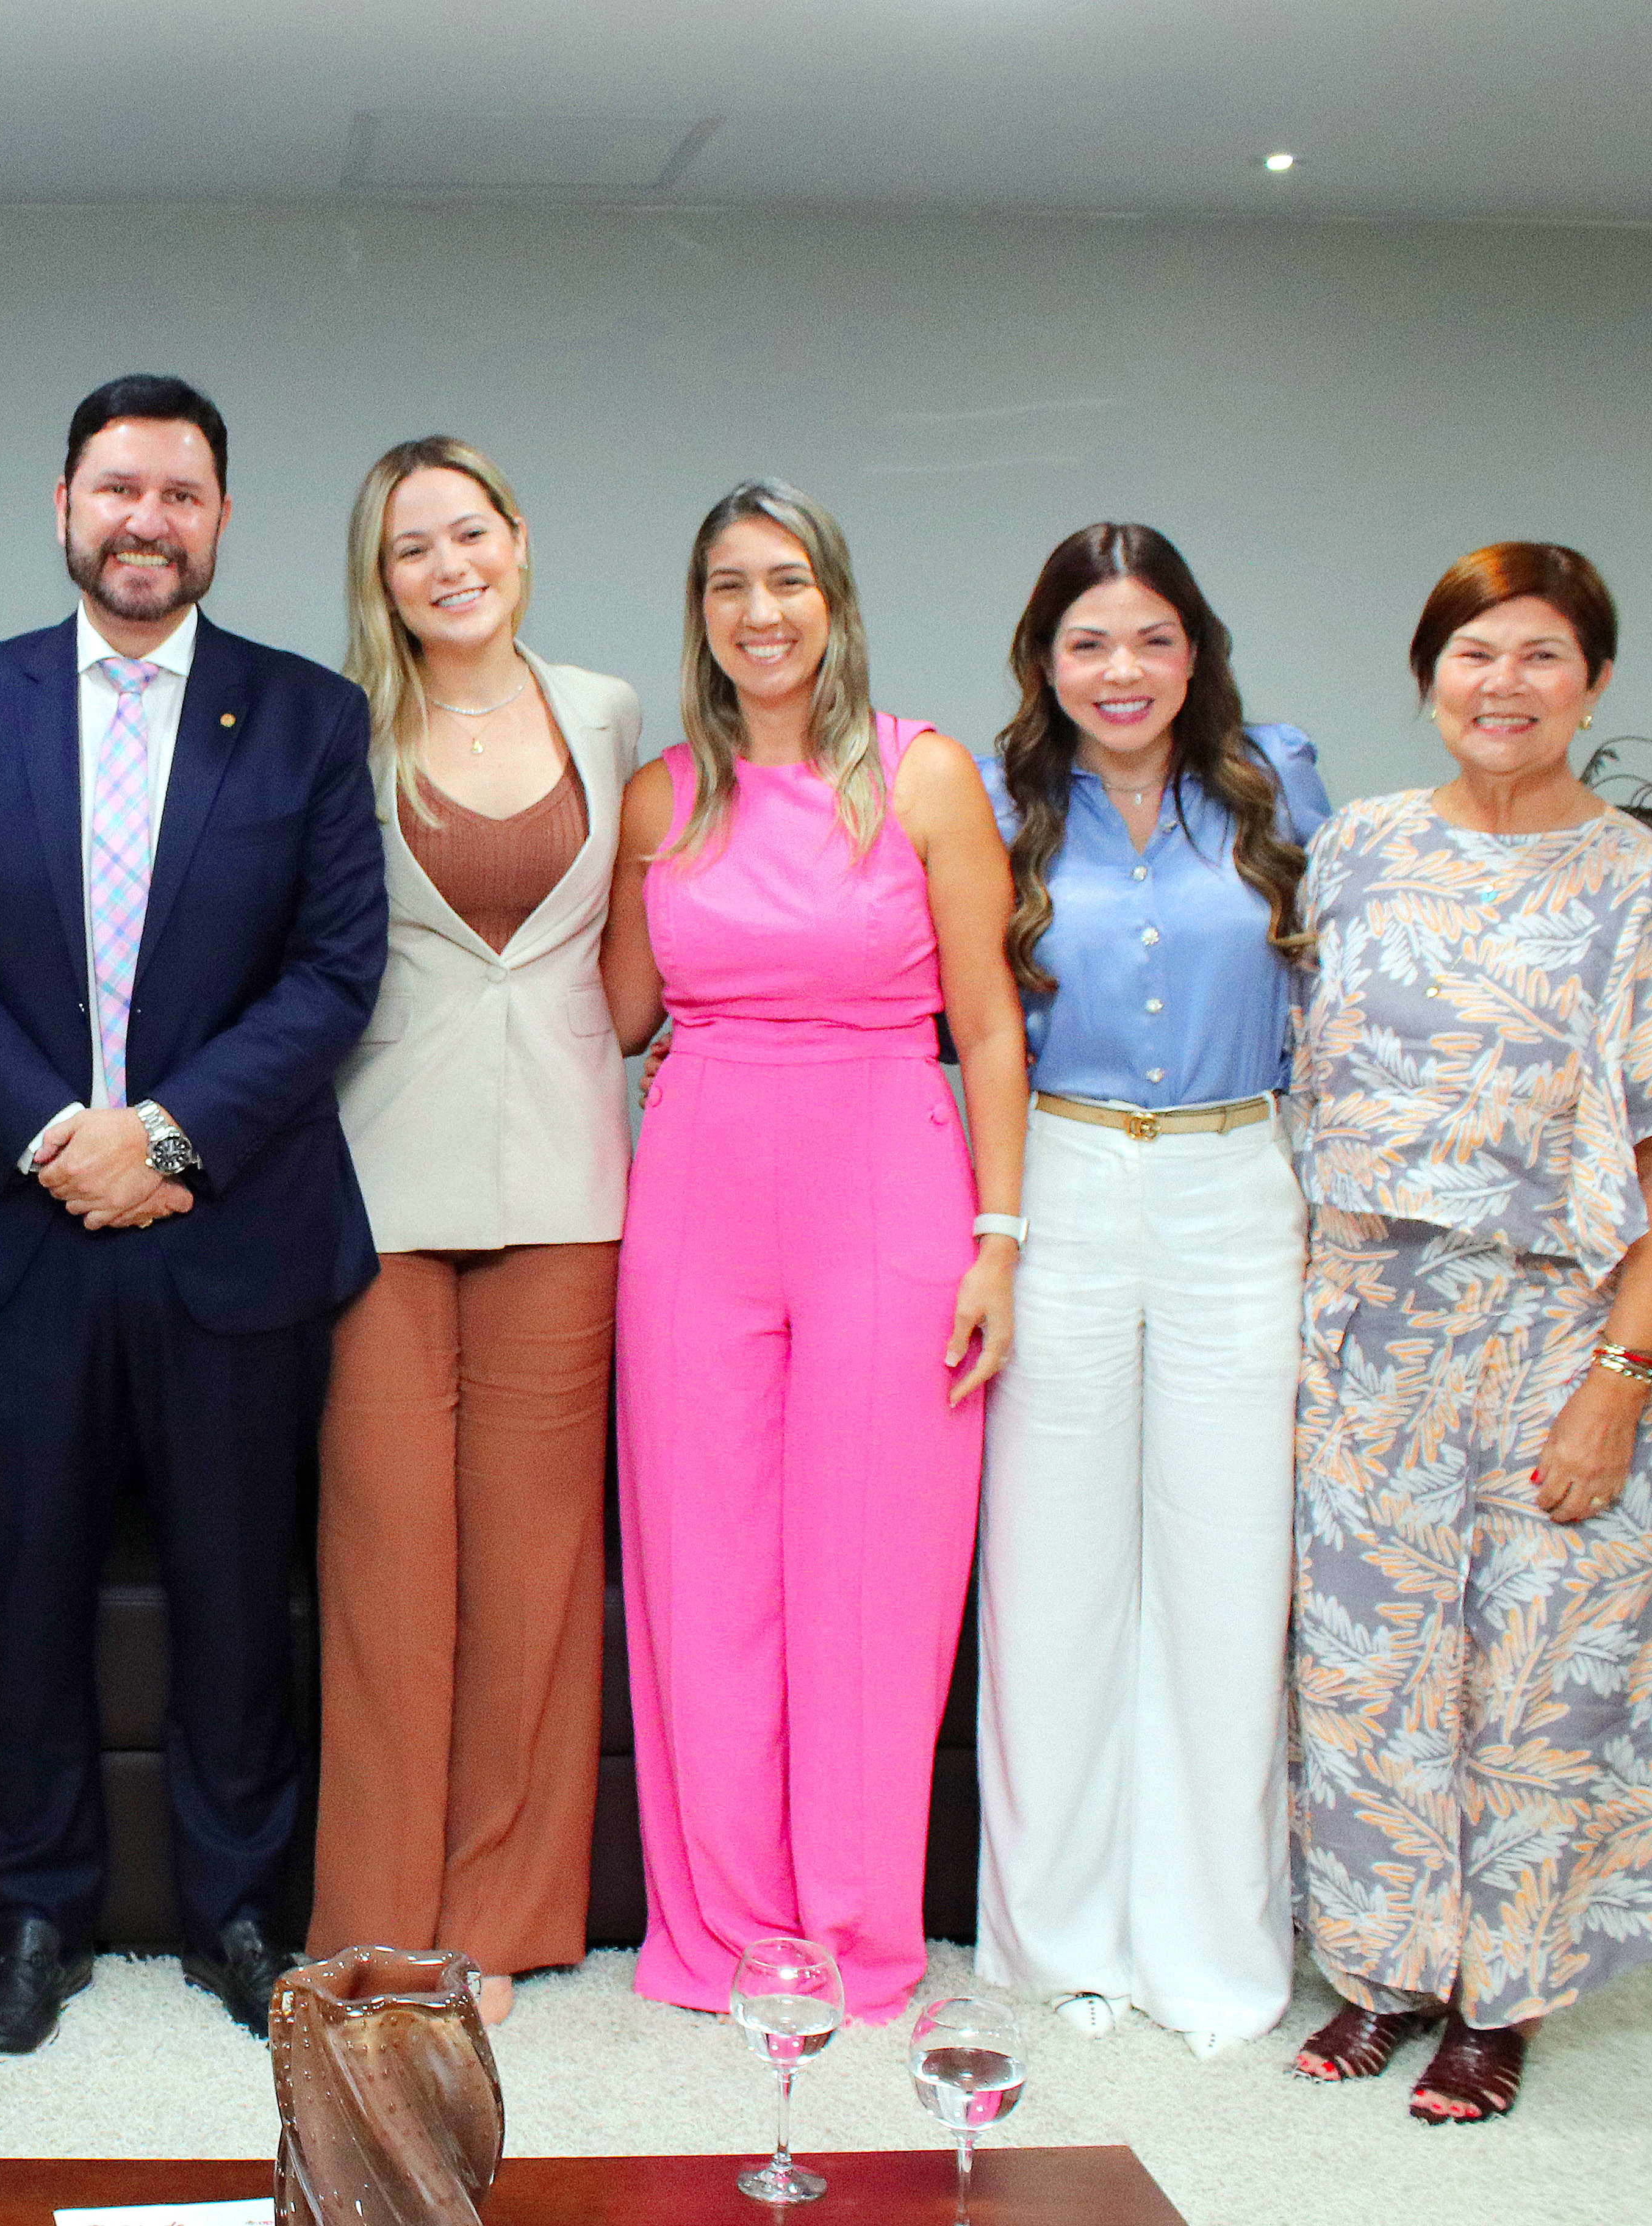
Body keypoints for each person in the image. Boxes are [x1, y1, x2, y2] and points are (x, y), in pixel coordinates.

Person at [0, 373, 387, 2055]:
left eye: (180, 492)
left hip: (226, 1231)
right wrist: (52, 1138)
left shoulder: (308, 717)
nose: (146, 519)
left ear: (222, 520)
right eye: (118, 488)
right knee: (24, 1593)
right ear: (64, 506)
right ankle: (35, 1916)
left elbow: (334, 972)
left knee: (239, 1593)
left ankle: (240, 1911)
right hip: (22, 1238)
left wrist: (162, 1140)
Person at [1285, 541, 1652, 2123]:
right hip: (1372, 1322)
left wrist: (1622, 1374)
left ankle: (1503, 1996)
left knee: (1545, 1674)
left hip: (1563, 1324)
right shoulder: (1353, 854)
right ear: (1429, 678)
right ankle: (1385, 1969)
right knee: (1370, 1671)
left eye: (1542, 656)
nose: (1505, 686)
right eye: (1475, 655)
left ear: (1595, 682)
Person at [601, 478, 1025, 2023]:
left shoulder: (923, 780)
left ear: (833, 601)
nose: (758, 613)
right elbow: (619, 1018)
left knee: (874, 1574)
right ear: (700, 614)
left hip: (887, 1186)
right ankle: (724, 1932)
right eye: (727, 586)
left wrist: (998, 1235)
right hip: (702, 1179)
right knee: (702, 1575)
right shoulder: (661, 799)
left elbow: (984, 1021)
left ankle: (851, 1934)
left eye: (786, 581)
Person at [970, 523, 1328, 2057]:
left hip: (1237, 1184)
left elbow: (1334, 997)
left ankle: (1212, 1954)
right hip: (1057, 1182)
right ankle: (1056, 1948)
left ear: (1197, 649)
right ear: (1047, 661)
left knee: (1226, 1562)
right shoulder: (995, 807)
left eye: (1153, 640)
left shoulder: (1275, 781)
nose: (1124, 672)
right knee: (1050, 1571)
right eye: (1089, 643)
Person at [307, 436, 637, 2022]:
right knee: (385, 1561)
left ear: (519, 536)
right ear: (381, 581)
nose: (448, 567)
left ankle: (497, 1928)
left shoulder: (611, 715)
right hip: (377, 1180)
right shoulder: (340, 729)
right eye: (409, 549)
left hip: (571, 1180)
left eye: (469, 532)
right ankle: (377, 1921)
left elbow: (634, 954)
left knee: (534, 1573)